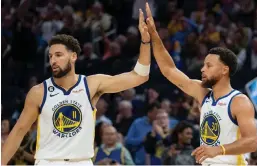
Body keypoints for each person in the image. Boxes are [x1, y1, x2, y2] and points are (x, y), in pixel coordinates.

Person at [1, 9, 151, 165]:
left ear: (73, 57)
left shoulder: (92, 84)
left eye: (58, 55)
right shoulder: (39, 92)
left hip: (81, 161)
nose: (53, 61)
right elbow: (18, 131)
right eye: (51, 56)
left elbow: (139, 76)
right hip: (49, 161)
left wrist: (146, 42)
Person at [144, 2, 257, 165]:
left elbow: (252, 142)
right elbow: (169, 70)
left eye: (209, 66)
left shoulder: (239, 101)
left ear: (224, 70)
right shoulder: (203, 93)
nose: (203, 69)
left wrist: (218, 149)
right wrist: (154, 35)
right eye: (203, 65)